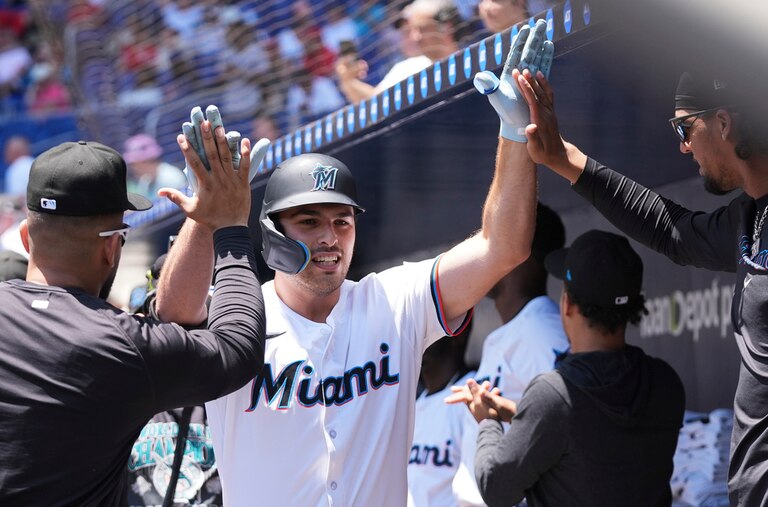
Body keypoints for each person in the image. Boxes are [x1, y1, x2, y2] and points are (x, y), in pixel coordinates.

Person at [154, 21, 552, 507]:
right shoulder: (237, 317)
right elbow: (172, 316)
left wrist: (516, 135)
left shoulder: (393, 299)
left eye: (342, 222)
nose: (329, 237)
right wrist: (205, 220)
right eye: (309, 220)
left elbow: (502, 247)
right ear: (274, 232)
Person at [517, 65, 768, 504]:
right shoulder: (749, 218)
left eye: (685, 127)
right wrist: (563, 157)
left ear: (724, 123)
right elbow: (672, 230)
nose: (683, 145)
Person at [0, 130, 266, 504]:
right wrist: (232, 226)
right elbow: (238, 348)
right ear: (111, 247)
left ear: (27, 238)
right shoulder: (121, 344)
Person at [453, 230, 685, 506]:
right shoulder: (664, 382)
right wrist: (522, 415)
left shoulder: (553, 394)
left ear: (568, 304)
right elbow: (592, 432)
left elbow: (496, 488)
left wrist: (488, 420)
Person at [451, 202, 570, 506]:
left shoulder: (541, 331)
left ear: (520, 252)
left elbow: (571, 427)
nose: (482, 251)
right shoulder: (516, 329)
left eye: (492, 239)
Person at [336, 0, 461, 104]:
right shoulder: (408, 69)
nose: (415, 37)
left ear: (446, 27)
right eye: (412, 30)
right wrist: (348, 82)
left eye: (423, 29)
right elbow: (376, 103)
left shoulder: (474, 57)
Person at [408, 324, 475, 507]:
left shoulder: (474, 395)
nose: (421, 340)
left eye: (430, 330)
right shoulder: (410, 404)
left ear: (458, 334)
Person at [123, 133, 188, 201]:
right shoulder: (145, 181)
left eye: (134, 163)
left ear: (146, 160)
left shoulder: (171, 177)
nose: (133, 168)